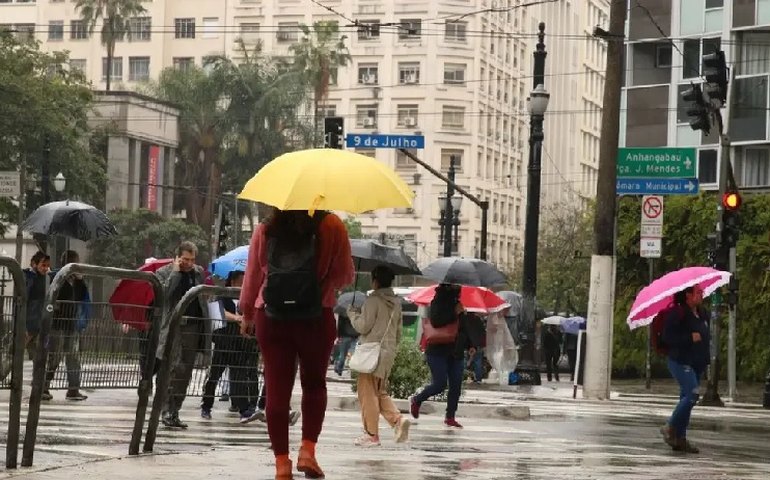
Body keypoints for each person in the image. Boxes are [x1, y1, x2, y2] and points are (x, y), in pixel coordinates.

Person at [240, 208, 354, 480]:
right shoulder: (332, 225)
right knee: (314, 385)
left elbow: (253, 276)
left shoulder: (266, 228)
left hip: (271, 315)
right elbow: (344, 276)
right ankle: (307, 451)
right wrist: (322, 279)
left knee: (277, 387)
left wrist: (246, 313)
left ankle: (281, 464)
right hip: (316, 315)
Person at [347, 265, 411, 447]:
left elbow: (362, 326)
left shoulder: (372, 301)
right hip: (387, 352)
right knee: (379, 392)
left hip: (372, 353)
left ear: (375, 280)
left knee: (367, 393)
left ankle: (371, 434)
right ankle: (398, 420)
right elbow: (398, 333)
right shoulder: (396, 303)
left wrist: (352, 314)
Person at [410, 285, 485, 429]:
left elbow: (463, 327)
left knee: (456, 385)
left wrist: (470, 345)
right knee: (439, 384)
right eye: (456, 285)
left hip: (455, 351)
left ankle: (450, 416)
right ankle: (417, 400)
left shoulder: (458, 303)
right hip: (437, 350)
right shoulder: (437, 301)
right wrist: (454, 312)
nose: (458, 287)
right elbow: (436, 321)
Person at [155, 241, 210, 429]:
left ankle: (175, 410)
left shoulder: (198, 272)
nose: (189, 263)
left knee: (185, 372)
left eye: (192, 260)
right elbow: (164, 294)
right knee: (172, 368)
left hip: (193, 327)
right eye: (185, 259)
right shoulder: (164, 272)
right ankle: (166, 411)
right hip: (174, 326)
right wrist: (176, 272)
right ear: (177, 257)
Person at [201, 271, 261, 423]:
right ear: (233, 281)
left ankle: (243, 409)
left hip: (240, 342)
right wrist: (236, 318)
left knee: (239, 376)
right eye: (241, 280)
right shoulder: (221, 294)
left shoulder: (248, 296)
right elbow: (217, 311)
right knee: (214, 375)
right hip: (223, 340)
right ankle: (206, 406)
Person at [660, 285, 709, 454]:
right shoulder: (678, 313)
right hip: (680, 362)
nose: (702, 294)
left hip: (696, 364)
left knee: (687, 400)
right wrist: (689, 337)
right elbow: (668, 337)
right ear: (688, 295)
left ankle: (680, 438)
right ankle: (671, 426)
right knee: (692, 394)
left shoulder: (702, 313)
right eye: (698, 292)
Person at [43, 250, 89, 401]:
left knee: (72, 356)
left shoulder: (77, 281)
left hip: (70, 323)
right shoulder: (57, 278)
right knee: (54, 356)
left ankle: (73, 389)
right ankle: (44, 386)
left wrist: (80, 281)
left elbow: (81, 296)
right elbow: (53, 296)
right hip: (57, 323)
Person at [24, 251, 50, 361]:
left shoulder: (45, 278)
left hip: (39, 321)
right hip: (30, 321)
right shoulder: (28, 277)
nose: (46, 268)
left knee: (37, 353)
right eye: (43, 265)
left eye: (47, 266)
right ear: (34, 264)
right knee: (18, 348)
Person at [334, 309, 359, 376]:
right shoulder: (357, 311)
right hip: (355, 335)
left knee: (343, 354)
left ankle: (339, 368)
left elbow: (339, 324)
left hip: (344, 335)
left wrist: (338, 335)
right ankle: (352, 370)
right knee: (352, 353)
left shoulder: (342, 312)